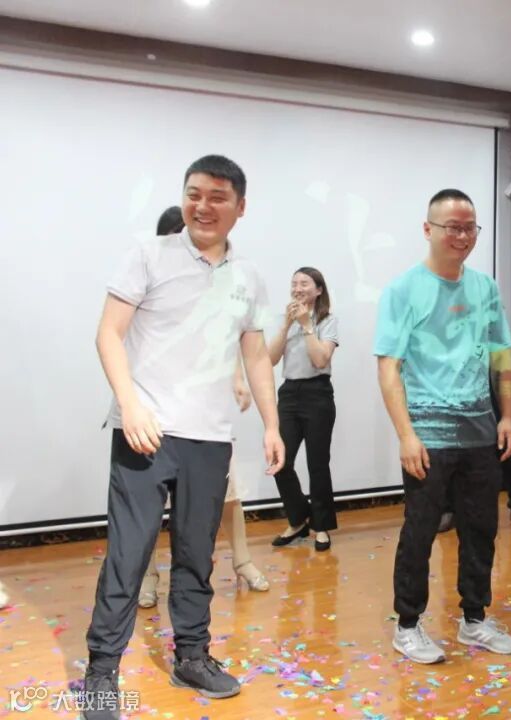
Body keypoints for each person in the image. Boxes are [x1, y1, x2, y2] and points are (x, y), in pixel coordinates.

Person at [83, 155, 284, 720]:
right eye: (194, 193)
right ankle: (102, 671)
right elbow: (108, 334)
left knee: (197, 555)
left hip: (209, 438)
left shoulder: (249, 277)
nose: (203, 206)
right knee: (129, 554)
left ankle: (192, 656)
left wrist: (271, 424)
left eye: (217, 197)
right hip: (145, 432)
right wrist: (130, 405)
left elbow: (255, 357)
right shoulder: (149, 255)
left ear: (240, 207)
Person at [375, 188, 511, 664]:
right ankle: (408, 625)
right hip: (428, 434)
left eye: (469, 228)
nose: (462, 236)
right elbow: (389, 367)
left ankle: (474, 619)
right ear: (428, 230)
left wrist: (508, 415)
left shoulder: (485, 288)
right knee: (420, 531)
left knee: (481, 529)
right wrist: (406, 434)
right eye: (452, 227)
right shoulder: (403, 289)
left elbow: (501, 355)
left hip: (480, 431)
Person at [138, 208, 269, 609]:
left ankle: (243, 562)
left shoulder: (221, 286)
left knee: (227, 494)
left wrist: (237, 377)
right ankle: (148, 575)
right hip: (155, 416)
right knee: (148, 506)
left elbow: (225, 340)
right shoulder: (149, 280)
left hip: (205, 420)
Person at [267, 267, 340, 552]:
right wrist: (286, 325)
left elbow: (321, 360)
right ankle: (298, 520)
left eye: (304, 283)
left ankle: (321, 526)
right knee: (280, 460)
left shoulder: (328, 321)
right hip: (289, 394)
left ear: (318, 290)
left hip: (317, 393)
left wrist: (307, 325)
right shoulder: (284, 320)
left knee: (317, 464)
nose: (298, 288)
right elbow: (271, 359)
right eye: (294, 283)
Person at [437, 375, 511, 534]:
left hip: (478, 378)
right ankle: (448, 508)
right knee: (449, 442)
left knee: (503, 441)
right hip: (445, 382)